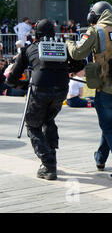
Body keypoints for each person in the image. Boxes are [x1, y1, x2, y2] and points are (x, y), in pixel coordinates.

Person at [66, 1, 112, 181]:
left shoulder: (96, 31)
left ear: (94, 16)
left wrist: (68, 42)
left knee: (109, 127)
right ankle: (100, 159)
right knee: (109, 125)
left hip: (107, 87)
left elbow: (77, 53)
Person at [6, 20, 70, 180]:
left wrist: (19, 84)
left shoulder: (30, 48)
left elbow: (13, 77)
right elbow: (78, 65)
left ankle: (48, 165)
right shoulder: (63, 47)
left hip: (40, 90)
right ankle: (52, 158)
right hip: (62, 90)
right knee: (48, 120)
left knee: (33, 126)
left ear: (37, 34)